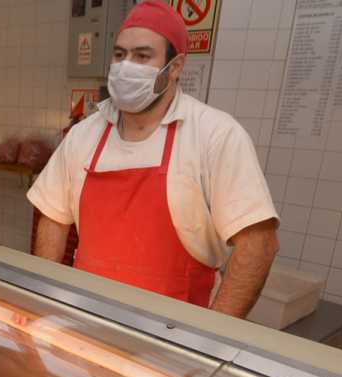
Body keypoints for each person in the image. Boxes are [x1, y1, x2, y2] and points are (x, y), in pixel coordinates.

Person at [28, 1, 279, 318]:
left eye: (143, 56)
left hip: (173, 337)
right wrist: (39, 298)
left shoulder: (215, 135)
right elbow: (53, 215)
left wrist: (212, 337)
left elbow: (259, 244)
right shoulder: (84, 134)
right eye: (120, 55)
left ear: (174, 67)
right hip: (84, 320)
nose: (125, 66)